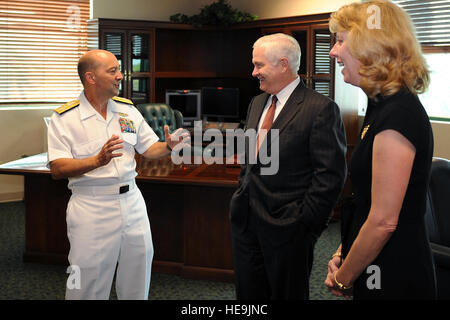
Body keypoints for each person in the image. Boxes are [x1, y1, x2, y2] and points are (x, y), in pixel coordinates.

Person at [47, 49, 187, 300]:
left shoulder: (127, 110)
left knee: (138, 270)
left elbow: (148, 148)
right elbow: (57, 168)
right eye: (112, 71)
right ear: (91, 78)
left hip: (133, 201)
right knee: (87, 280)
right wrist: (96, 161)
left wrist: (167, 146)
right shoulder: (65, 118)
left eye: (119, 70)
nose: (120, 76)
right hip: (92, 205)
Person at [324, 0, 436, 299]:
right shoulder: (379, 105)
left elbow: (384, 221)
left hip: (394, 272)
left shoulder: (398, 114)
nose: (333, 51)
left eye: (341, 41)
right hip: (374, 263)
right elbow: (366, 201)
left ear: (372, 45)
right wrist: (344, 251)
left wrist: (343, 279)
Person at [229, 33, 347, 299]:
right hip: (246, 223)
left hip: (289, 229)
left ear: (283, 64)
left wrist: (305, 225)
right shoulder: (257, 102)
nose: (253, 72)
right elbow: (252, 161)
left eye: (259, 65)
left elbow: (330, 176)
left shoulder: (321, 109)